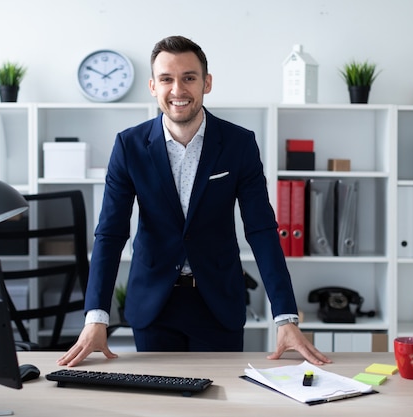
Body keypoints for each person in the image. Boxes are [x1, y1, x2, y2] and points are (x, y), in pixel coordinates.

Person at [58, 35, 331, 367]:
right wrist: (96, 317)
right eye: (167, 79)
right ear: (153, 86)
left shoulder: (239, 144)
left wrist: (285, 317)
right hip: (154, 305)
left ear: (207, 83)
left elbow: (261, 229)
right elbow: (111, 234)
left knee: (221, 401)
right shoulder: (128, 146)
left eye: (189, 77)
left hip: (217, 303)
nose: (178, 90)